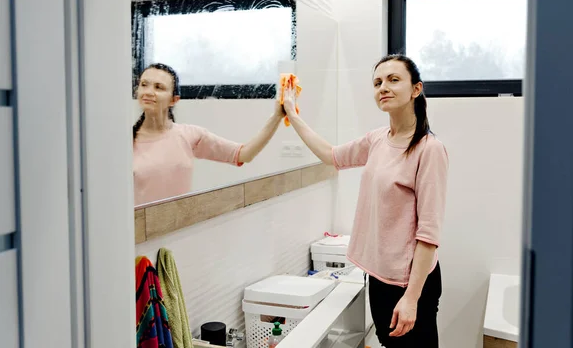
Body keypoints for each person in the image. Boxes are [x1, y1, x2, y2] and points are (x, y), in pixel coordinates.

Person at [282, 54, 448, 347]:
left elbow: (429, 234)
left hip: (410, 283)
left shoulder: (428, 149)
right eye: (377, 82)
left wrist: (412, 299)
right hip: (379, 276)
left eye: (394, 80)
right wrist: (293, 114)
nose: (383, 87)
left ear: (416, 89)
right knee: (387, 342)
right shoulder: (376, 139)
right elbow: (331, 155)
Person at [133, 63, 284, 206]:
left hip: (181, 229)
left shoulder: (190, 135)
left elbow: (244, 154)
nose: (148, 92)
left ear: (174, 100)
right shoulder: (126, 142)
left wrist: (276, 117)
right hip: (139, 230)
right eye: (144, 84)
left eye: (159, 87)